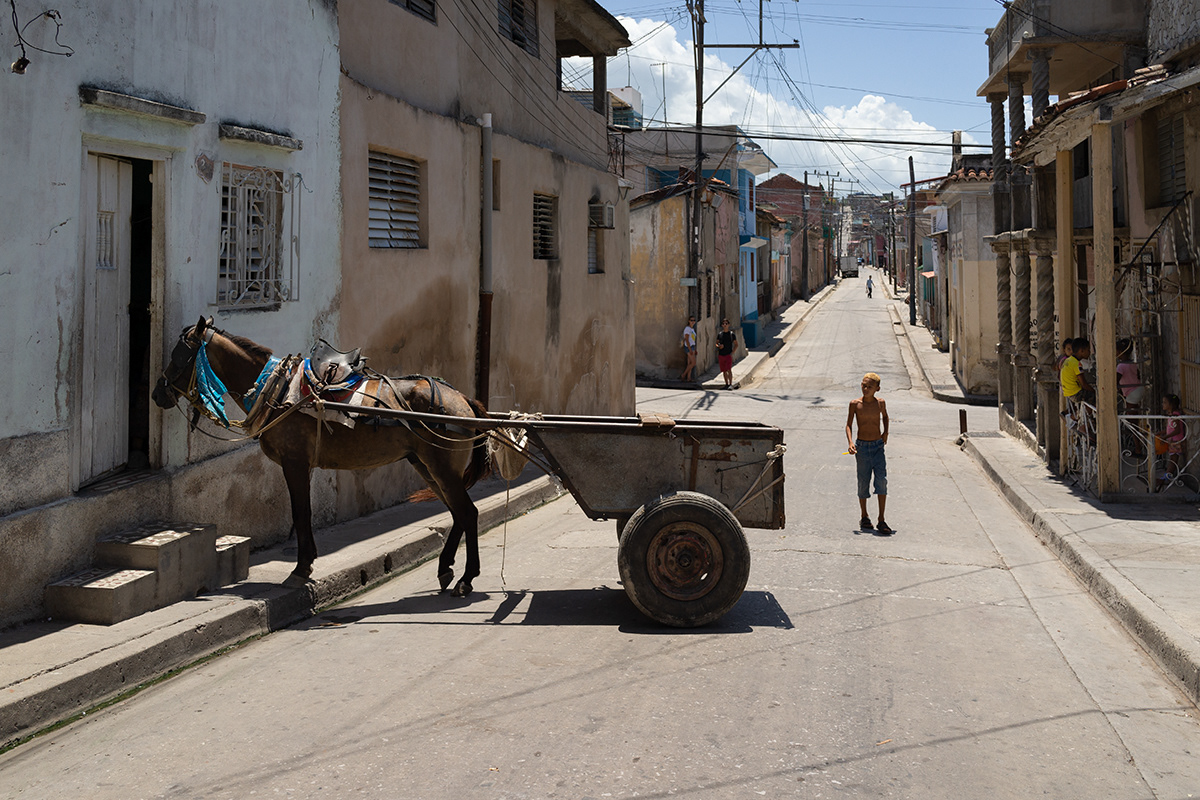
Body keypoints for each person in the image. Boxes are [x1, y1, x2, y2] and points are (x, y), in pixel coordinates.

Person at [846, 372, 891, 535]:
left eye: (869, 387)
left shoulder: (880, 403)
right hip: (862, 448)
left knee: (882, 481)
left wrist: (886, 432)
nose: (865, 389)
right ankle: (864, 516)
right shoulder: (855, 404)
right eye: (863, 385)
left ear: (877, 389)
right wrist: (851, 442)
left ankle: (881, 519)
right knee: (863, 481)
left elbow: (885, 417)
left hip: (878, 447)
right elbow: (849, 425)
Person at [1158, 393, 1186, 490]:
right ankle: (1167, 477)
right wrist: (1160, 433)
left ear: (1171, 404)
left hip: (1176, 441)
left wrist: (1166, 437)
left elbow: (1177, 430)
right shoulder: (1171, 415)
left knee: (1173, 460)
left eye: (1165, 402)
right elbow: (1169, 429)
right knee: (1172, 459)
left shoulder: (1175, 416)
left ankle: (1166, 478)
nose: (1163, 404)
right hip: (1172, 440)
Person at [1060, 337, 1095, 406]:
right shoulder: (1076, 364)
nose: (1089, 352)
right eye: (1088, 350)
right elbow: (1084, 384)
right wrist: (1093, 391)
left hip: (1068, 392)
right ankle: (1089, 415)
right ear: (1081, 351)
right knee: (1095, 398)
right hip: (1075, 393)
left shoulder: (1068, 360)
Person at [1116, 338, 1143, 409]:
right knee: (1134, 411)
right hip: (1139, 388)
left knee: (1130, 413)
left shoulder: (1121, 366)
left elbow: (1116, 380)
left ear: (1120, 352)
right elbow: (1138, 374)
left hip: (1131, 392)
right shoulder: (1132, 363)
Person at [715, 318, 737, 389]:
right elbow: (716, 343)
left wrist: (733, 352)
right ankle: (726, 384)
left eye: (726, 323)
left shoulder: (731, 334)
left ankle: (730, 384)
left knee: (729, 369)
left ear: (729, 325)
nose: (725, 325)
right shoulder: (720, 334)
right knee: (724, 370)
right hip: (721, 354)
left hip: (728, 354)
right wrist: (719, 346)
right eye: (723, 324)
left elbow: (736, 344)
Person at [679, 316, 697, 383]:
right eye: (691, 320)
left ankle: (688, 378)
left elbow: (692, 340)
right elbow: (686, 339)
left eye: (694, 320)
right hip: (688, 347)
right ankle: (683, 375)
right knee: (693, 363)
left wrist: (694, 349)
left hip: (692, 347)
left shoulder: (692, 329)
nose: (693, 322)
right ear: (689, 321)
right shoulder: (687, 329)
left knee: (689, 363)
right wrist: (690, 349)